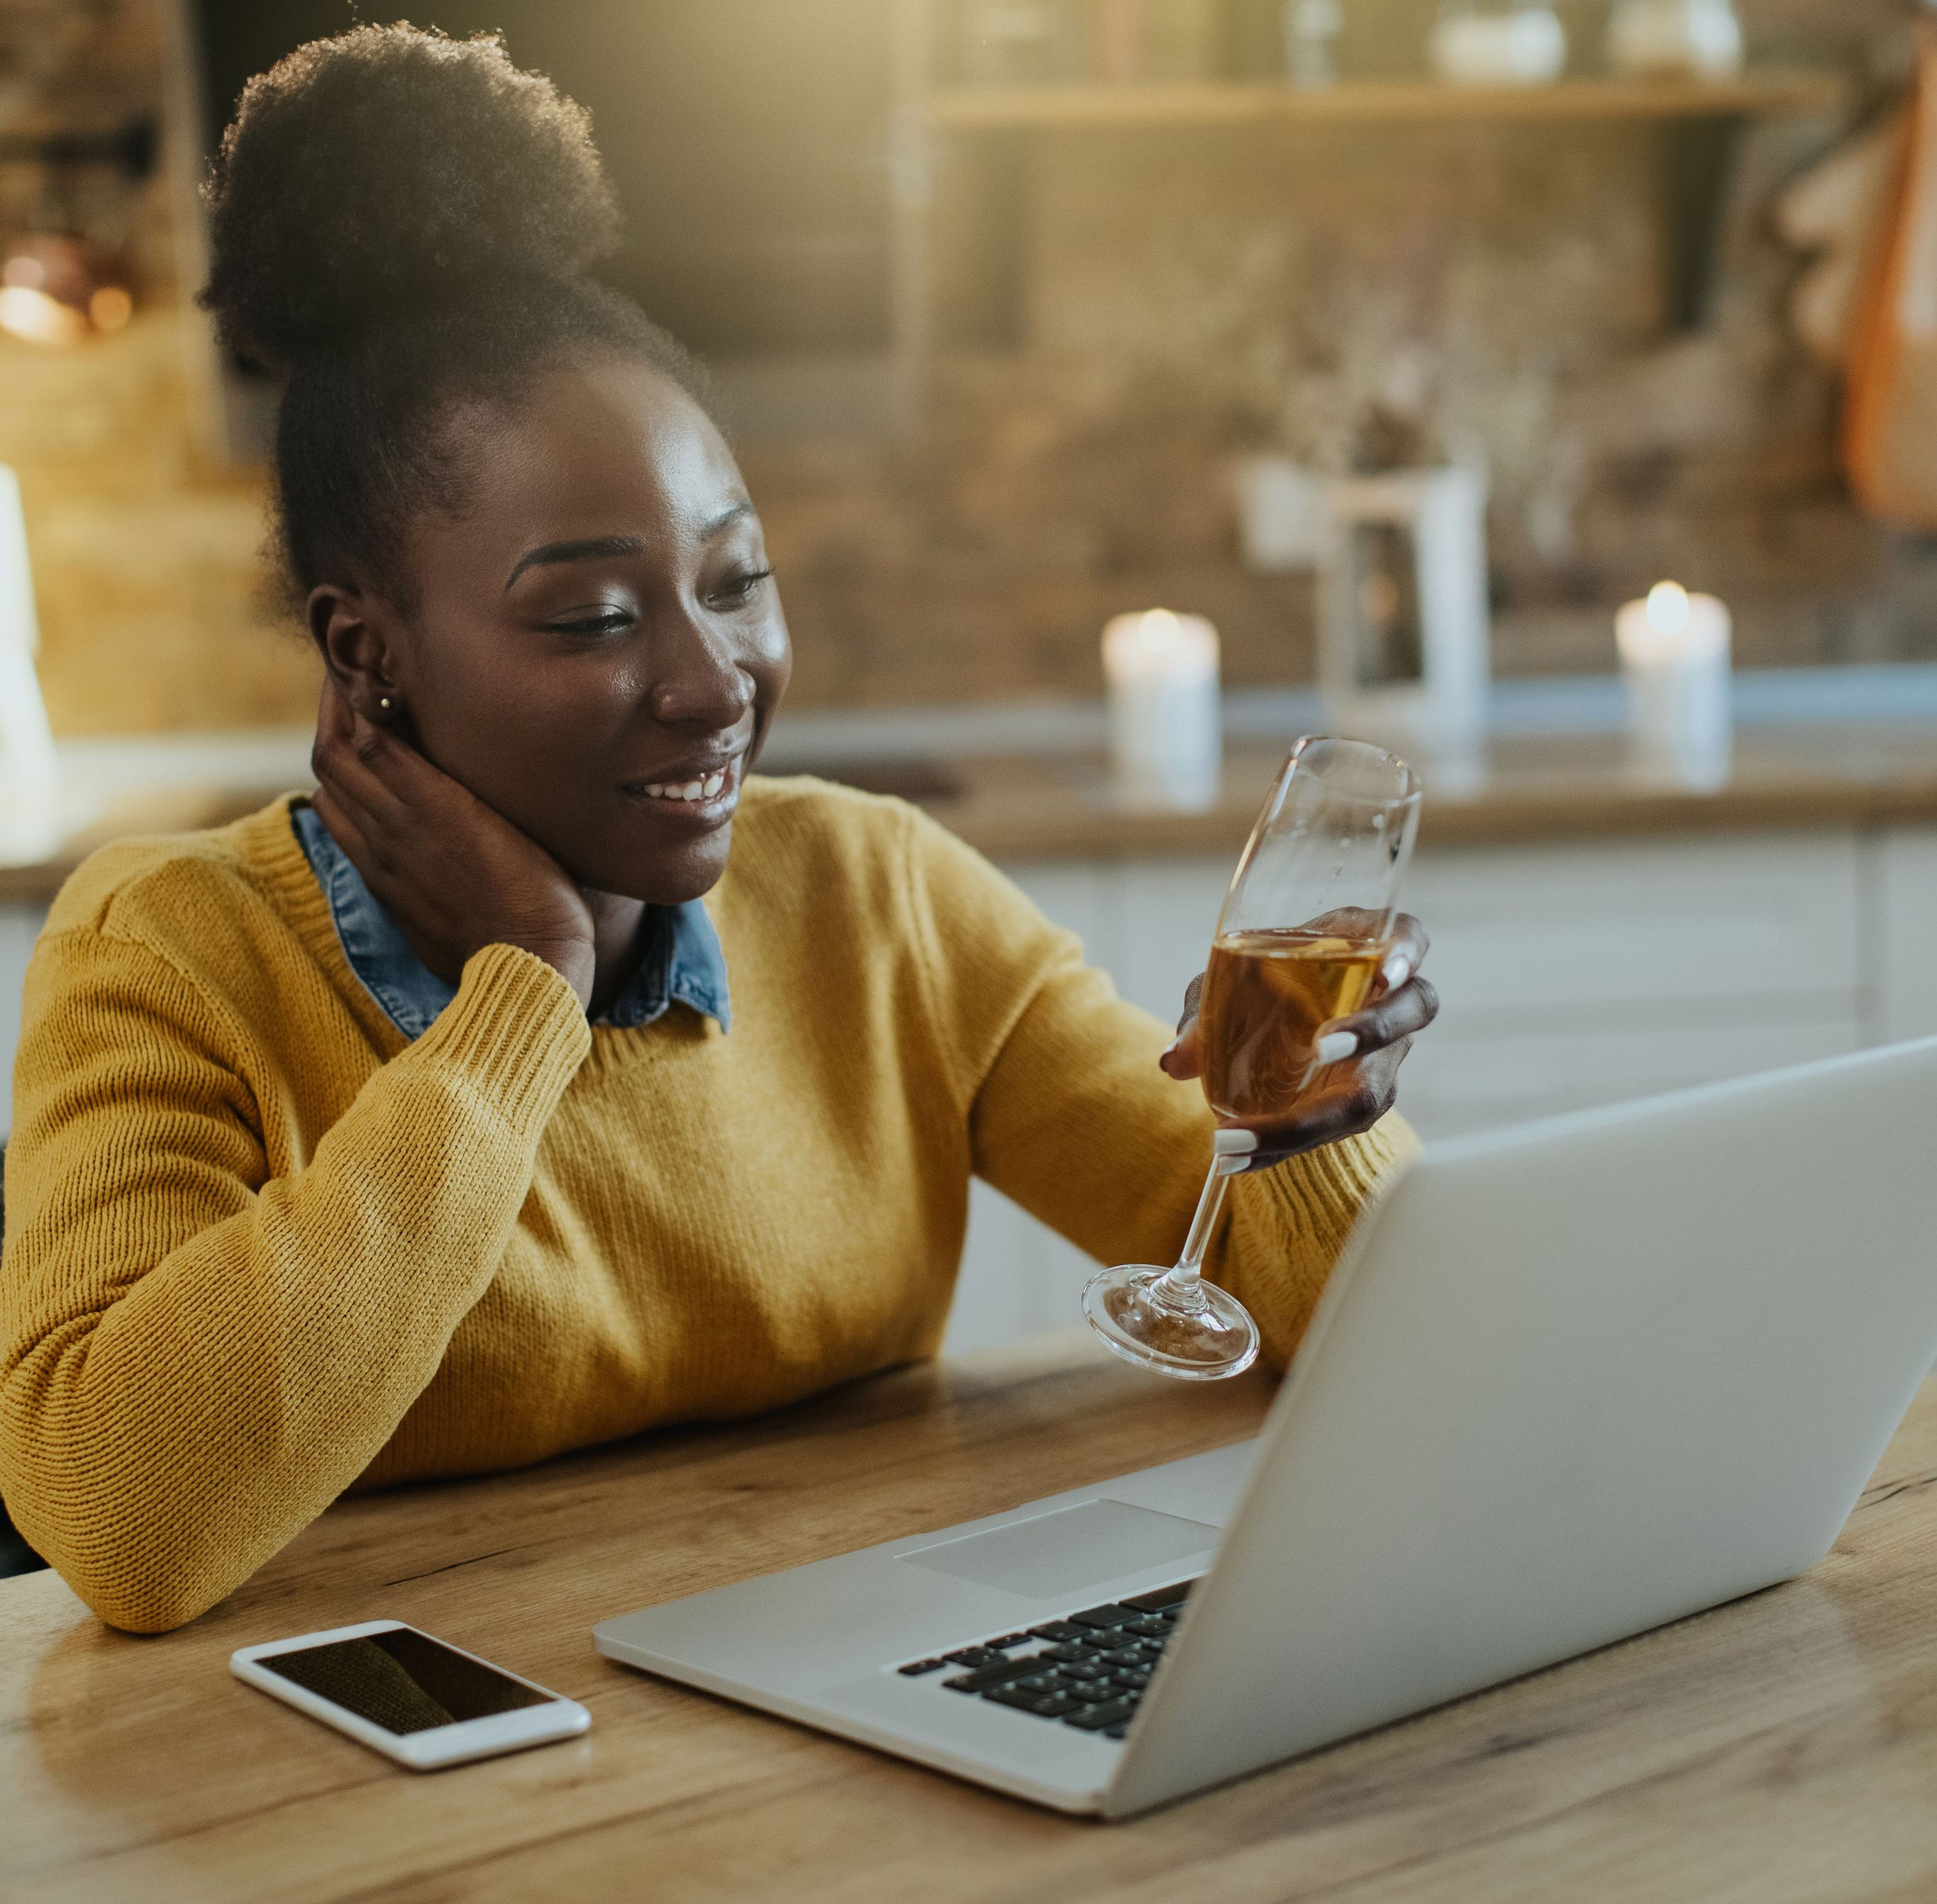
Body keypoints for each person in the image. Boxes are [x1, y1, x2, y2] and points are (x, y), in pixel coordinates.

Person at [0, 26, 1437, 1635]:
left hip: (841, 1698)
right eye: (594, 615)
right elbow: (116, 1519)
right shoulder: (177, 951)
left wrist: (1306, 1135)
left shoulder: (874, 895)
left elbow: (1367, 1328)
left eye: (737, 579)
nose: (713, 680)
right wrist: (518, 1005)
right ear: (366, 654)